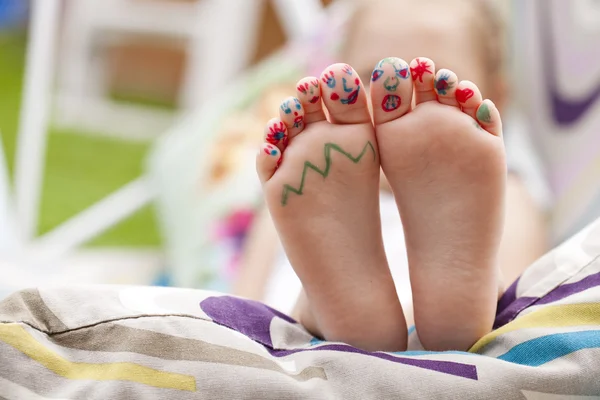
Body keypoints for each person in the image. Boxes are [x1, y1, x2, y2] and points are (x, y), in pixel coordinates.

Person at [236, 0, 548, 352]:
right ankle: (326, 312)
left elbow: (530, 302)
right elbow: (242, 305)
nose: (398, 95)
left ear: (498, 97)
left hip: (312, 363)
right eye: (374, 75)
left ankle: (454, 312)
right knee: (268, 322)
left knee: (502, 302)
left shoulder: (503, 190)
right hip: (288, 353)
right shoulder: (300, 188)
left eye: (434, 79)